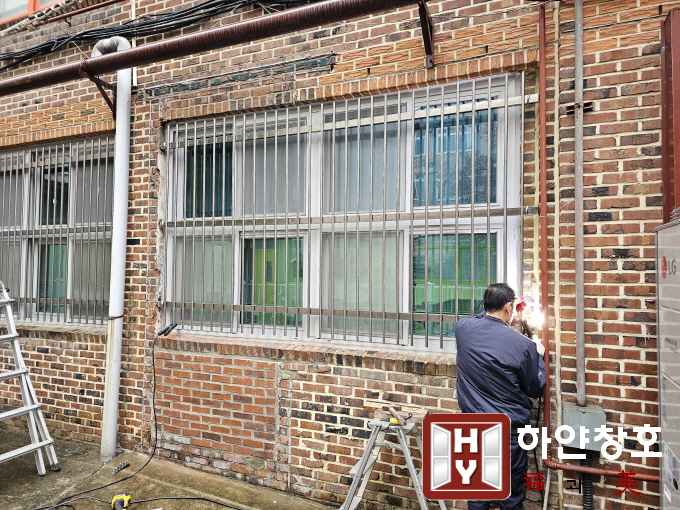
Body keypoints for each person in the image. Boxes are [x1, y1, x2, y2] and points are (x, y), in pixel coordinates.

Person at [455, 283, 546, 510]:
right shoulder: (523, 345)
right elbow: (535, 388)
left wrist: (502, 306)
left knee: (478, 493)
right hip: (508, 432)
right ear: (508, 307)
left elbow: (482, 320)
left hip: (473, 428)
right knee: (510, 497)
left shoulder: (462, 328)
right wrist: (538, 356)